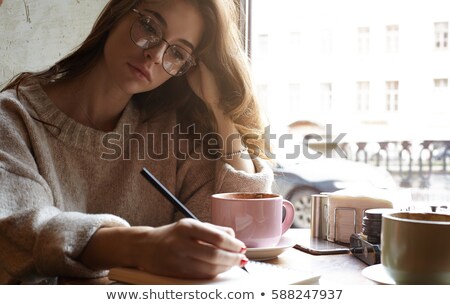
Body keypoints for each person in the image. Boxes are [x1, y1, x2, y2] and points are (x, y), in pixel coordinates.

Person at [0, 0, 273, 284]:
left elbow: (237, 227)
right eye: (149, 26)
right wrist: (142, 247)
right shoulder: (15, 117)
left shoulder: (169, 130)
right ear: (117, 13)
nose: (155, 55)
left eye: (177, 53)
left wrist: (220, 110)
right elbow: (15, 234)